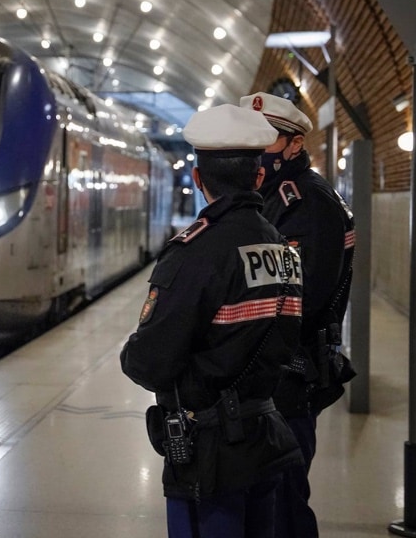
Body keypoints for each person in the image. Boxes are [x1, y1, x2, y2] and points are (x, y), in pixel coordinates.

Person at [120, 103, 305, 538]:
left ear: (198, 178)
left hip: (210, 454)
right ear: (258, 178)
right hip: (265, 437)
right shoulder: (284, 250)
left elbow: (150, 362)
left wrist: (132, 355)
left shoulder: (196, 252)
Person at [240, 92, 356, 538]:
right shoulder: (269, 196)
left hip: (290, 377)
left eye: (267, 139)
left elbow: (299, 303)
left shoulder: (306, 202)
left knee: (284, 507)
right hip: (270, 377)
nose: (256, 149)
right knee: (267, 502)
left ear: (294, 144)